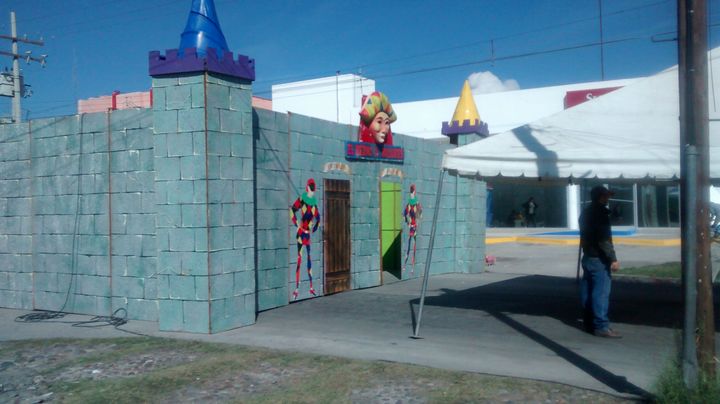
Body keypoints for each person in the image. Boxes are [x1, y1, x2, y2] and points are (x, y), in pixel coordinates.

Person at [579, 185, 621, 338]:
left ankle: (589, 322)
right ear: (600, 197)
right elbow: (603, 239)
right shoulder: (600, 214)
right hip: (599, 258)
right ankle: (601, 325)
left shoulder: (586, 212)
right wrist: (613, 259)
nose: (608, 198)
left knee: (588, 291)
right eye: (606, 196)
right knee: (601, 293)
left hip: (588, 256)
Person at [289, 178, 321, 300]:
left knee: (308, 260)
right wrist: (296, 223)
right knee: (299, 259)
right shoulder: (302, 199)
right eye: (311, 188)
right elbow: (292, 210)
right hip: (301, 233)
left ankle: (311, 287)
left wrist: (315, 227)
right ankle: (297, 288)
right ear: (307, 188)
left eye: (313, 189)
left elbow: (318, 218)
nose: (312, 191)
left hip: (307, 234)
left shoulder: (313, 204)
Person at [402, 184, 422, 273]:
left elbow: (420, 214)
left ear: (414, 192)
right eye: (411, 192)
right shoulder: (409, 204)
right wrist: (408, 223)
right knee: (409, 244)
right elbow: (404, 214)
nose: (411, 194)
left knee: (413, 245)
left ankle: (412, 267)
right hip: (411, 226)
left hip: (414, 226)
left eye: (412, 192)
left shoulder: (416, 204)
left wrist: (416, 224)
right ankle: (405, 264)